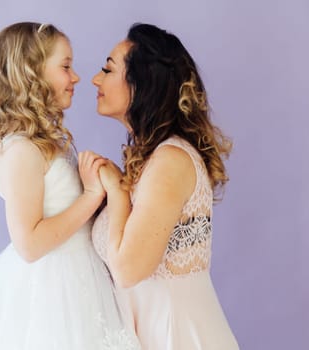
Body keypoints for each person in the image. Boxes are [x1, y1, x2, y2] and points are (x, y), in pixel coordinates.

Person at [0, 22, 140, 350]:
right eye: (66, 67)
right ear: (32, 74)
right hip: (51, 289)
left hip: (81, 277)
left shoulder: (45, 144)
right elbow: (29, 243)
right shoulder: (21, 150)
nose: (76, 78)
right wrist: (89, 197)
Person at [89, 23, 240, 349]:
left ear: (142, 83)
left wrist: (116, 193)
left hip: (176, 336)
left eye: (108, 69)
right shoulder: (152, 158)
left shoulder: (169, 160)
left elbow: (129, 269)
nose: (95, 79)